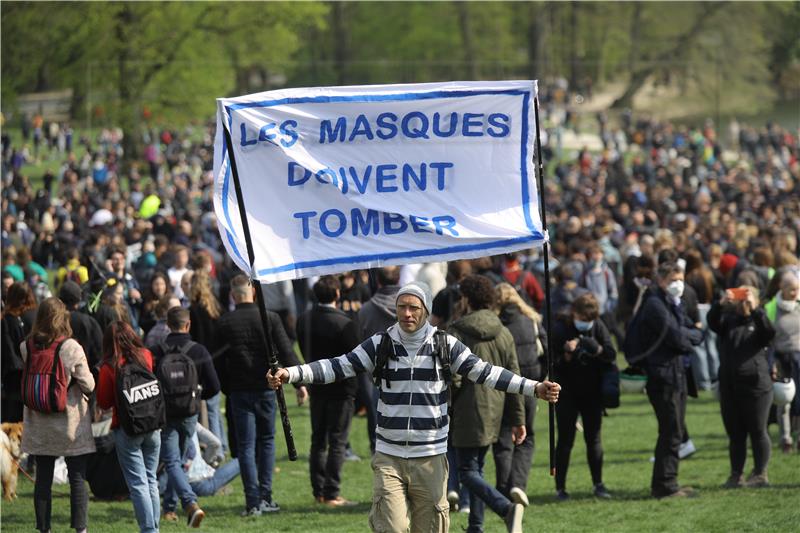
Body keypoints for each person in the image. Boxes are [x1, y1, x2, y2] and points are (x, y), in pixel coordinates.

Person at [268, 280, 561, 533]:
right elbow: (338, 366)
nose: (407, 314)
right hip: (388, 457)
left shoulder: (445, 345)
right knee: (391, 527)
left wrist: (533, 387)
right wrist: (291, 373)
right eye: (402, 307)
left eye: (414, 308)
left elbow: (487, 372)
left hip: (431, 457)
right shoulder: (380, 344)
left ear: (427, 310)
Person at [214, 275, 307, 516]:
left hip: (239, 390)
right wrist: (300, 383)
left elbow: (217, 360)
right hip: (267, 388)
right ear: (253, 292)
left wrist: (226, 387)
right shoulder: (270, 318)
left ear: (234, 295)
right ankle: (265, 496)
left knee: (246, 446)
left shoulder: (225, 322)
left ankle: (253, 501)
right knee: (266, 441)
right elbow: (287, 351)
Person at [448, 275, 528, 533]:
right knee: (477, 469)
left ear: (466, 299)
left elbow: (453, 379)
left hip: (465, 409)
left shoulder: (456, 332)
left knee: (465, 472)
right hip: (496, 410)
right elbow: (513, 378)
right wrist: (518, 420)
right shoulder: (503, 332)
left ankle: (505, 508)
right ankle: (476, 526)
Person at [21, 297, 95, 533]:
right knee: (76, 478)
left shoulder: (27, 346)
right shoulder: (71, 347)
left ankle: (44, 529)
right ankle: (80, 529)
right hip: (70, 421)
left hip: (39, 421)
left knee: (43, 480)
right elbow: (89, 384)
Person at [150, 307, 220, 526]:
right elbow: (214, 386)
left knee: (172, 462)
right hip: (190, 414)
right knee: (176, 461)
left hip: (166, 414)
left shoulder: (157, 350)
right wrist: (197, 398)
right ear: (188, 324)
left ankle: (189, 504)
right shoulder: (199, 350)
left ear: (167, 325)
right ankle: (172, 507)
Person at [639, 262, 704, 498]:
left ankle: (669, 482)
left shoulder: (673, 302)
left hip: (676, 373)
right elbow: (679, 338)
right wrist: (691, 336)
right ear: (662, 280)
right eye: (673, 279)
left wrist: (691, 335)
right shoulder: (655, 304)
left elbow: (696, 332)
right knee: (671, 430)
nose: (679, 284)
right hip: (664, 376)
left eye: (681, 278)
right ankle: (664, 485)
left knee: (674, 431)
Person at [296, 275, 361, 505]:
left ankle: (319, 491)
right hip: (342, 388)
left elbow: (304, 349)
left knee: (318, 440)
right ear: (337, 294)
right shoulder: (346, 323)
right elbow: (357, 361)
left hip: (317, 384)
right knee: (337, 441)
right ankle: (331, 492)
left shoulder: (303, 319)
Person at [96, 321, 161, 533]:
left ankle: (149, 530)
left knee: (138, 482)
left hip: (126, 428)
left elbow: (104, 402)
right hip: (152, 424)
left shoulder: (109, 366)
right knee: (151, 479)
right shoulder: (146, 356)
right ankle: (155, 528)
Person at [709, 286, 776, 487]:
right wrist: (720, 305)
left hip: (756, 385)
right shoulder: (728, 322)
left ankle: (760, 473)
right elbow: (712, 322)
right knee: (735, 433)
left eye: (746, 298)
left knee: (757, 430)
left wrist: (755, 310)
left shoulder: (758, 321)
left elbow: (768, 333)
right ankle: (736, 474)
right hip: (730, 385)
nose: (742, 303)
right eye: (740, 298)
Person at [552, 293, 615, 500]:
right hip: (567, 392)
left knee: (594, 438)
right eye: (583, 319)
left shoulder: (598, 326)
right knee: (565, 440)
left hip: (592, 392)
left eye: (590, 320)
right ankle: (560, 487)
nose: (586, 324)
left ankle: (599, 483)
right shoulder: (560, 328)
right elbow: (551, 362)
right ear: (574, 313)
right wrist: (566, 355)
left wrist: (596, 349)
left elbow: (610, 353)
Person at [492, 282, 546, 505]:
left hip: (503, 384)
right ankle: (518, 484)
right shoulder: (531, 320)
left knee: (504, 439)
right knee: (527, 436)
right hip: (531, 383)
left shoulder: (494, 325)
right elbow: (545, 349)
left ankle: (504, 488)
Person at [356, 266, 401, 454]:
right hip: (409, 371)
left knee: (378, 418)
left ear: (379, 281)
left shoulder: (366, 310)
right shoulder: (414, 308)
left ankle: (378, 449)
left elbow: (360, 344)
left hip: (377, 374)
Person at [765, 270, 800, 452]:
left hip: (799, 358)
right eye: (791, 289)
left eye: (797, 289)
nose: (795, 293)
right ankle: (785, 438)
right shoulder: (771, 307)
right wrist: (771, 363)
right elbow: (768, 338)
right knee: (783, 400)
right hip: (781, 359)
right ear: (782, 287)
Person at [1, 281, 38, 422]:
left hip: (12, 378)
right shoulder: (34, 316)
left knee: (11, 421)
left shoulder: (7, 320)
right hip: (31, 376)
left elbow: (8, 351)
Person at [58, 281, 103, 371]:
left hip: (58, 374)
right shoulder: (88, 321)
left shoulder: (52, 320)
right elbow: (99, 351)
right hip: (85, 372)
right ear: (77, 301)